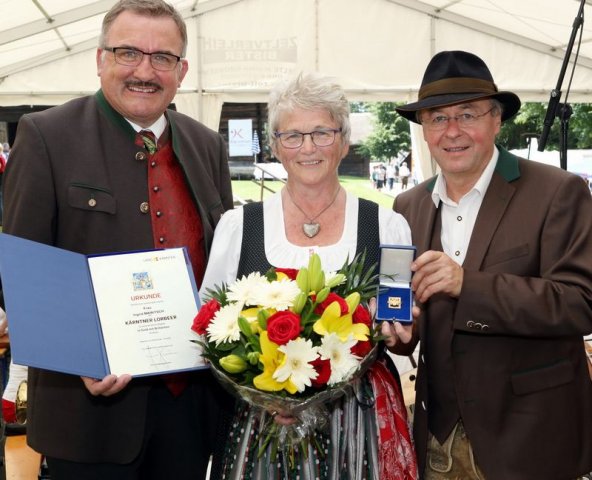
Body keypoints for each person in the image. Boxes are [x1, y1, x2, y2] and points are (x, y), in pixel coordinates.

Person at [2, 1, 233, 478]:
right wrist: (76, 355)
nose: (144, 71)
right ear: (100, 58)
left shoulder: (207, 145)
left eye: (162, 58)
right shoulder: (46, 135)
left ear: (182, 70)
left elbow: (222, 266)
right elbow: (23, 271)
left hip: (190, 410)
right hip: (88, 414)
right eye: (128, 53)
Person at [383, 50, 592, 479]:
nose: (452, 131)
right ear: (424, 130)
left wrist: (468, 285)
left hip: (530, 442)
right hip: (438, 441)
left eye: (467, 114)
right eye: (438, 118)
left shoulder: (557, 191)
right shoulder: (405, 206)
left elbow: (579, 303)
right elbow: (401, 317)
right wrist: (398, 331)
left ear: (497, 120)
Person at [201, 72, 417, 479]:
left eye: (322, 132)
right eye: (293, 136)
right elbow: (210, 328)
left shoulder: (386, 226)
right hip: (263, 421)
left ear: (344, 140)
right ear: (276, 146)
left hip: (359, 419)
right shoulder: (238, 226)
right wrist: (263, 390)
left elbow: (398, 319)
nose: (308, 148)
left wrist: (399, 329)